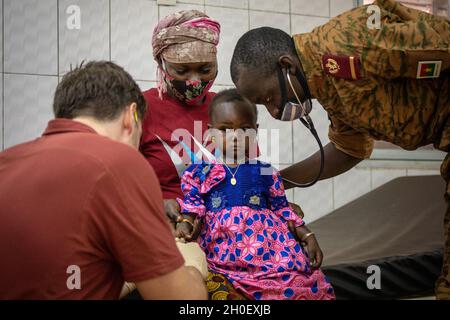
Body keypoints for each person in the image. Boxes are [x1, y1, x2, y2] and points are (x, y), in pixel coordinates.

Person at [230, 0, 449, 299]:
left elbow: (442, 44)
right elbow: (349, 149)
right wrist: (277, 182)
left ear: (286, 65)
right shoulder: (326, 85)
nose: (273, 110)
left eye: (269, 97)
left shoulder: (350, 41)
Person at [0, 61, 207, 300]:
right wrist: (192, 267)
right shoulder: (121, 162)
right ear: (131, 117)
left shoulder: (7, 162)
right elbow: (180, 300)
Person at [175, 89, 335, 300]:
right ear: (210, 133)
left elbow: (281, 208)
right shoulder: (198, 172)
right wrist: (185, 223)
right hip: (222, 252)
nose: (235, 137)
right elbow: (193, 206)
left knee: (296, 284)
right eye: (225, 130)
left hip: (270, 251)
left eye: (244, 129)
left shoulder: (265, 171)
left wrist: (307, 235)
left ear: (255, 132)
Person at [140, 10, 220, 225]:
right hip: (167, 228)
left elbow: (250, 172)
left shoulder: (226, 108)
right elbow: (117, 181)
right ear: (161, 63)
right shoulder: (140, 108)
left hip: (228, 232)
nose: (194, 81)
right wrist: (157, 203)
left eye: (205, 69)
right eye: (182, 70)